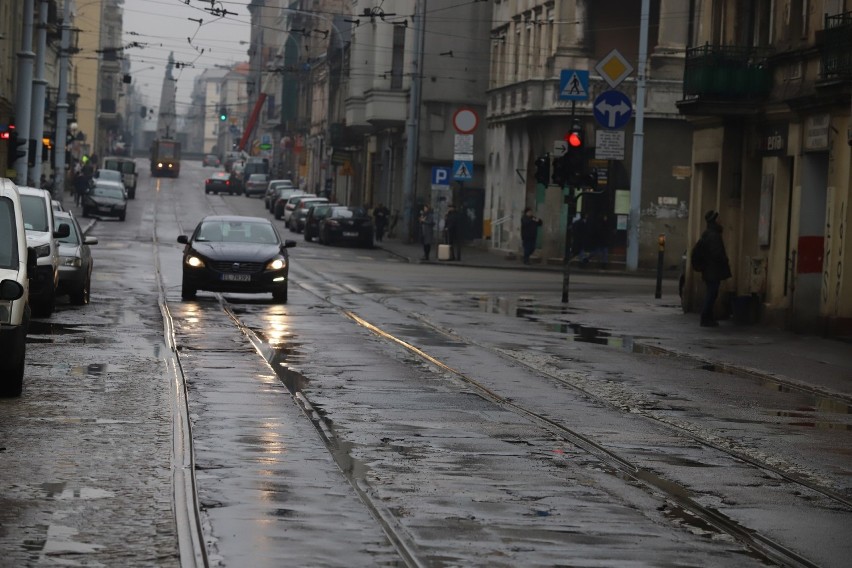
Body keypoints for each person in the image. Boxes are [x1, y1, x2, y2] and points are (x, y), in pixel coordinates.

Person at [691, 210, 732, 327]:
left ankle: (708, 317)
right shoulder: (714, 235)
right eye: (718, 218)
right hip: (713, 270)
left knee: (712, 293)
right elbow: (716, 253)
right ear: (714, 220)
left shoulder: (708, 233)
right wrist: (724, 260)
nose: (721, 220)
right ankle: (706, 317)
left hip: (709, 270)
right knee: (711, 294)